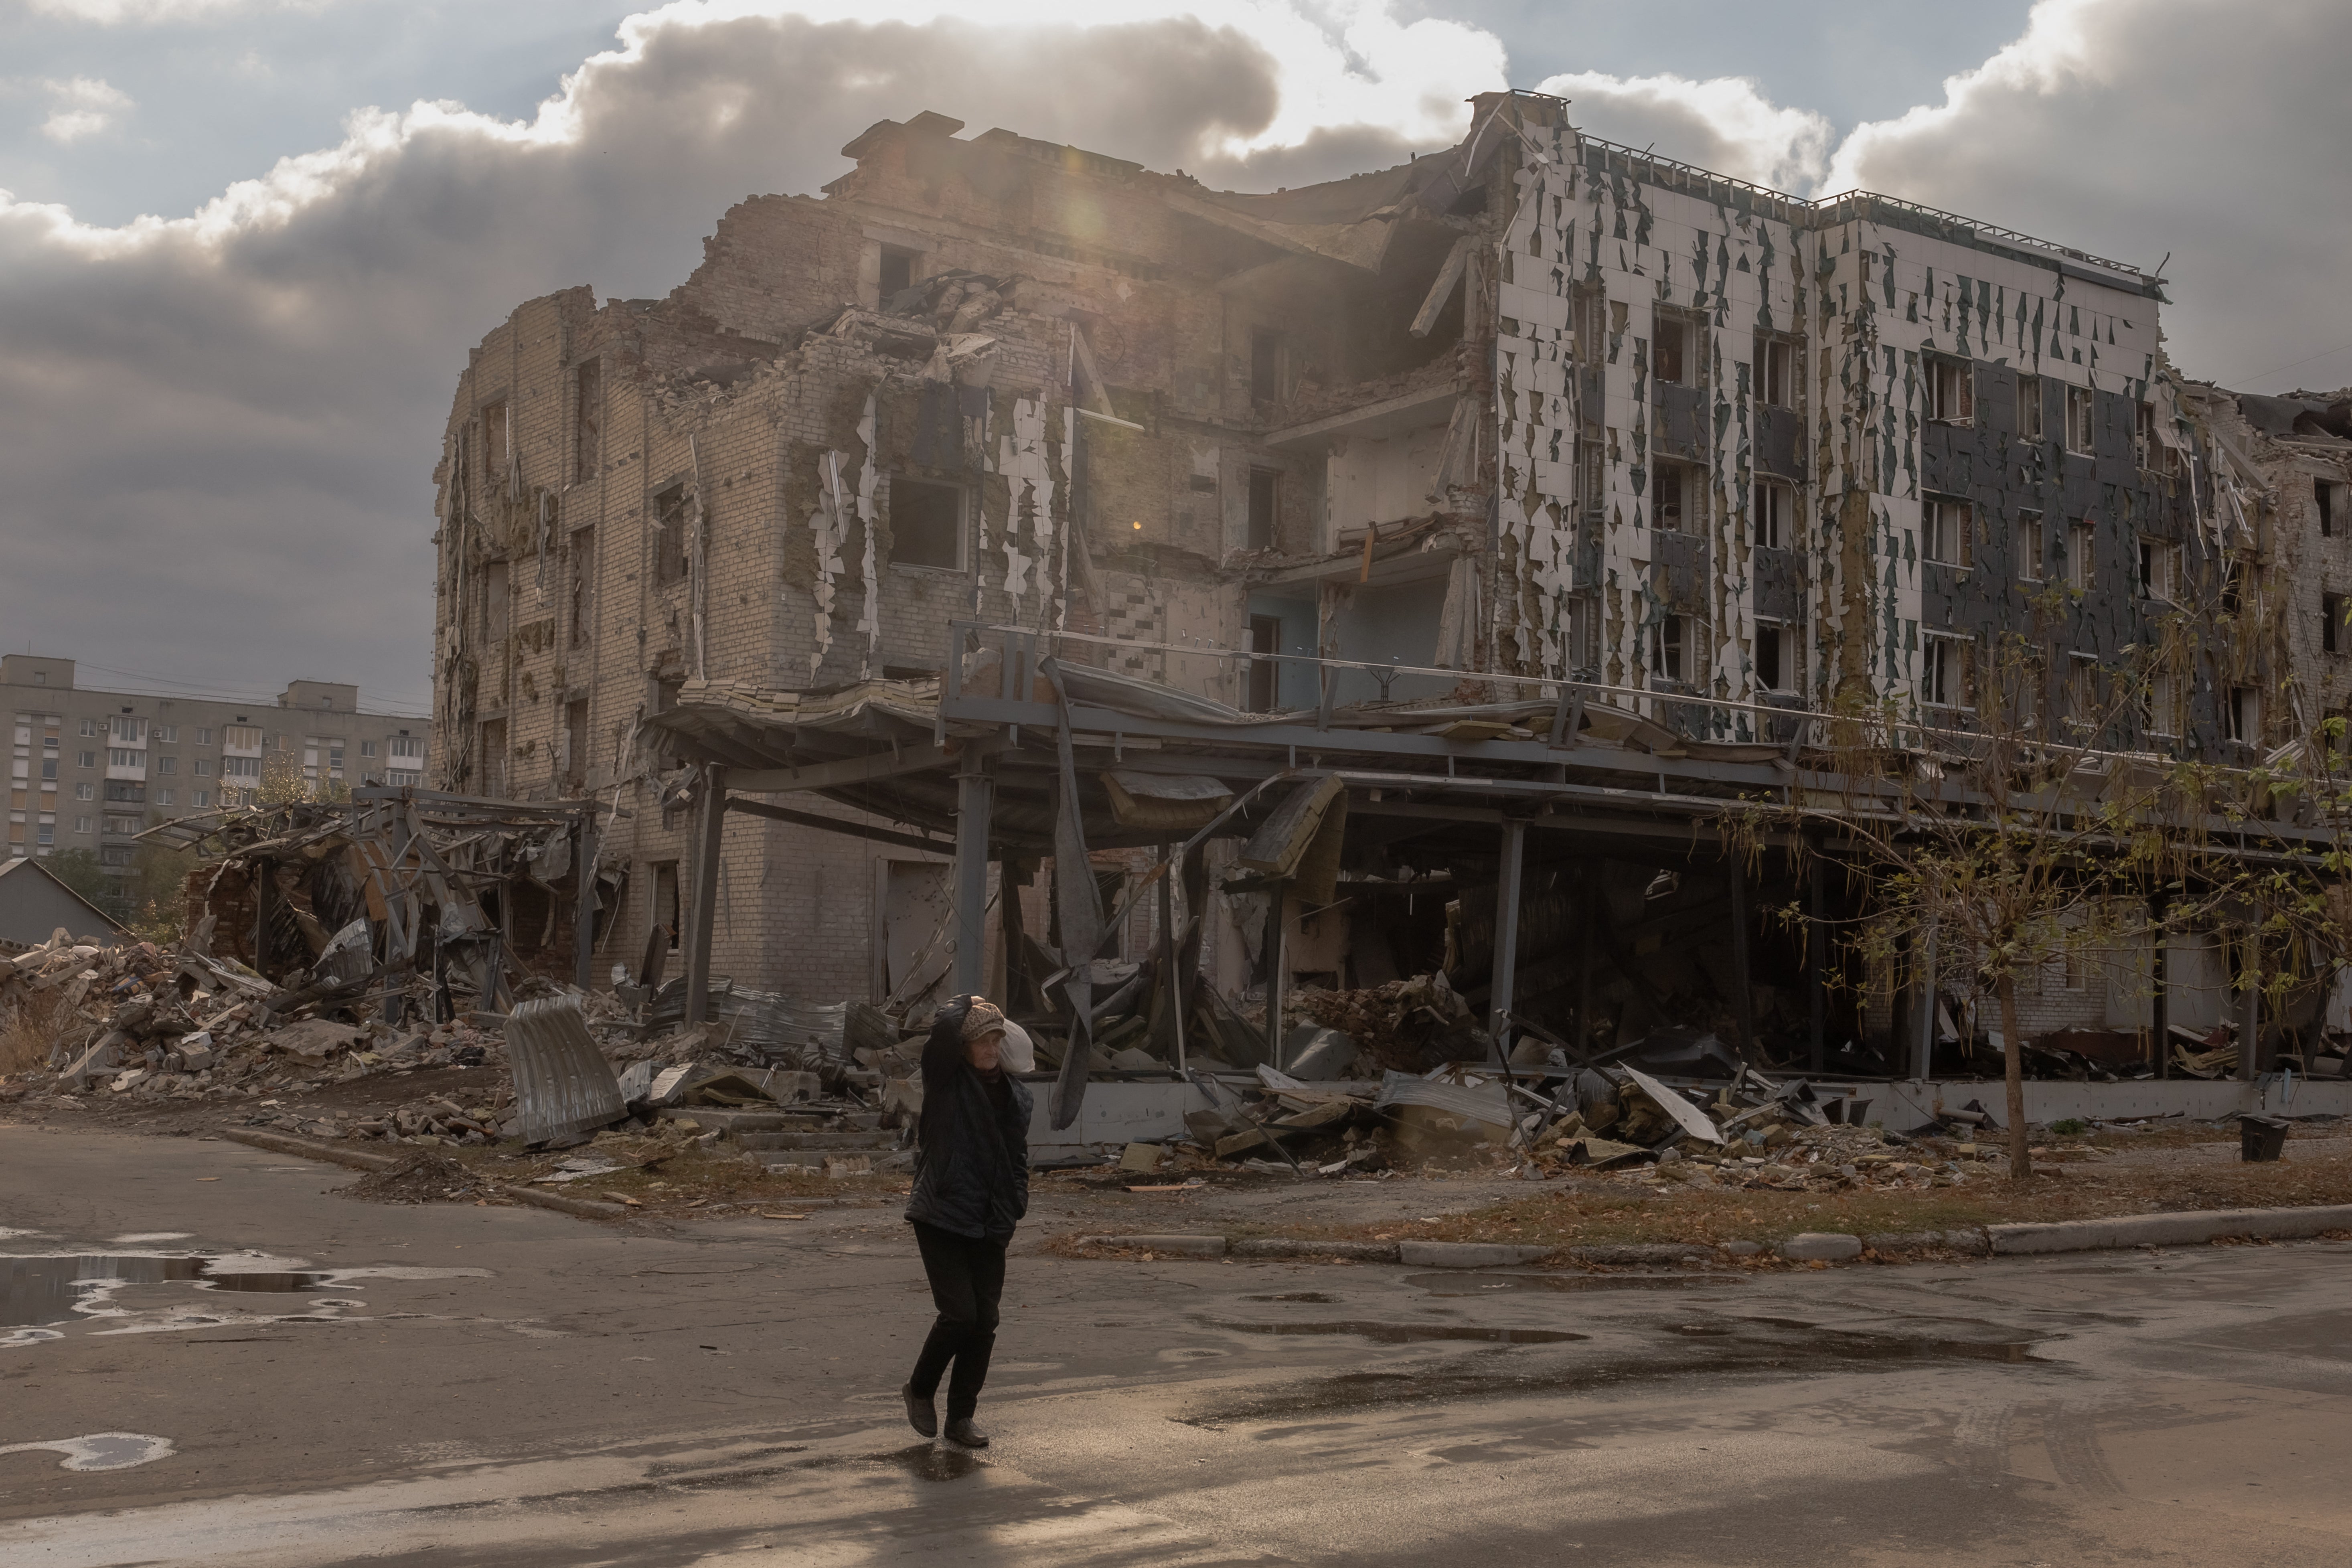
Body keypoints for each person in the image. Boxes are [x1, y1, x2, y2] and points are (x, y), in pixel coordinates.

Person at [901, 995, 1031, 1448]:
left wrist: (1017, 1203)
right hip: (941, 1212)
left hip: (990, 1219)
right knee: (959, 1315)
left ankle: (961, 1418)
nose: (991, 1048)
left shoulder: (1017, 1096)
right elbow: (941, 1036)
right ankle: (919, 1388)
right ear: (965, 1047)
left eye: (997, 1039)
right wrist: (965, 1002)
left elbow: (1017, 1158)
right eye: (982, 1040)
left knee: (985, 1321)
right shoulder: (946, 1081)